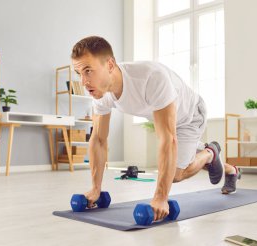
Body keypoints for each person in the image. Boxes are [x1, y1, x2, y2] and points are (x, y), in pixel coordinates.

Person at [71, 36, 241, 222]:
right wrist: (96, 188)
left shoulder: (150, 78)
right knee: (179, 160)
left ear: (110, 65)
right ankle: (228, 169)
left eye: (88, 71)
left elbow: (168, 139)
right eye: (79, 73)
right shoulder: (101, 93)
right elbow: (99, 139)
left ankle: (209, 153)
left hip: (190, 117)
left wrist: (161, 197)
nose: (83, 81)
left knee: (174, 174)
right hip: (166, 120)